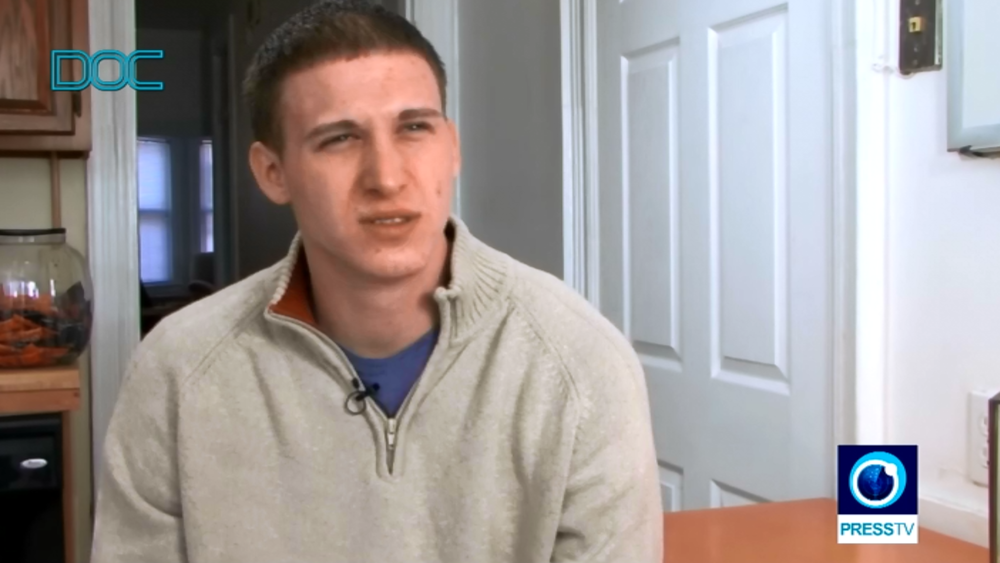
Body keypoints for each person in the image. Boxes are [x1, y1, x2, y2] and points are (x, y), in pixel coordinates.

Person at [89, 1, 663, 561]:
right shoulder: (177, 371)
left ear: (452, 148)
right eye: (339, 138)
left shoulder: (581, 365)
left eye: (414, 127)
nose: (386, 177)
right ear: (273, 172)